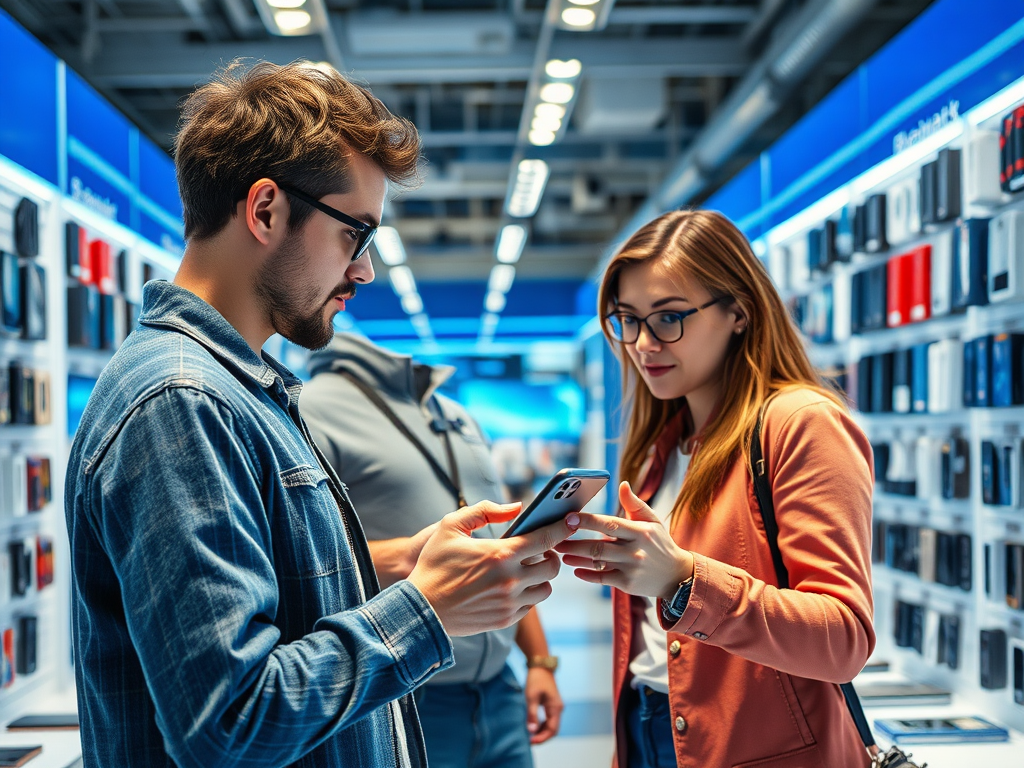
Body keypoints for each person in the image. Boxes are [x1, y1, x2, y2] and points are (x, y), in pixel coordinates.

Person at [64, 60, 577, 768]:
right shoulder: (181, 402)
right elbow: (232, 723)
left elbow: (268, 596)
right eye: (353, 234)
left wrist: (404, 563)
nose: (364, 271)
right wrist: (427, 610)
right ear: (266, 209)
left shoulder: (238, 388)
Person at [556, 209, 876, 767]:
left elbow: (842, 639)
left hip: (757, 746)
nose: (644, 344)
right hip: (649, 727)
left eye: (669, 317)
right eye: (628, 319)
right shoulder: (663, 444)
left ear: (738, 313)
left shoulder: (801, 422)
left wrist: (684, 580)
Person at [301, 332, 564, 768]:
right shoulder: (311, 412)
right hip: (402, 693)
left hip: (501, 692)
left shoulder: (455, 415)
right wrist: (410, 557)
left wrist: (539, 660)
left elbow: (498, 553)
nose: (357, 273)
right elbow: (305, 559)